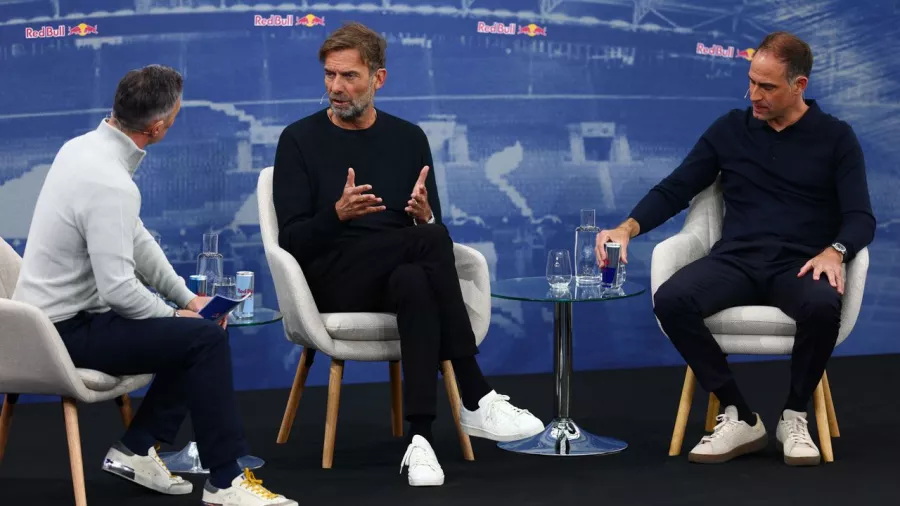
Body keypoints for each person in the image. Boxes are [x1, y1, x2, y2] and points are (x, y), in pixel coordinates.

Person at [273, 22, 544, 486]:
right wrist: (337, 214)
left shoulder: (409, 138)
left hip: (397, 272)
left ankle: (421, 442)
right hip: (332, 278)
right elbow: (290, 241)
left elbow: (432, 228)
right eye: (329, 75)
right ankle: (475, 392)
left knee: (419, 276)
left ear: (379, 79)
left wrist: (423, 216)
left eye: (349, 76)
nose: (336, 88)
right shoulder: (298, 140)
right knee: (431, 243)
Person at [13, 65, 296, 506]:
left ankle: (139, 448)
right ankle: (225, 481)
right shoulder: (109, 182)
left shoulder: (82, 149)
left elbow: (137, 239)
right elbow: (118, 290)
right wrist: (174, 316)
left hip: (54, 320)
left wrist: (188, 299)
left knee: (198, 329)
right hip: (60, 334)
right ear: (158, 126)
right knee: (201, 338)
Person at [594, 32, 875, 466]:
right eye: (751, 82)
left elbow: (861, 217)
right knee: (671, 299)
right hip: (737, 260)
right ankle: (739, 413)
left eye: (767, 87)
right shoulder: (730, 128)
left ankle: (795, 414)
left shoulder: (836, 138)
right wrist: (628, 228)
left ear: (799, 86)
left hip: (799, 265)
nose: (754, 95)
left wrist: (834, 250)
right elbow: (676, 188)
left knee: (822, 307)